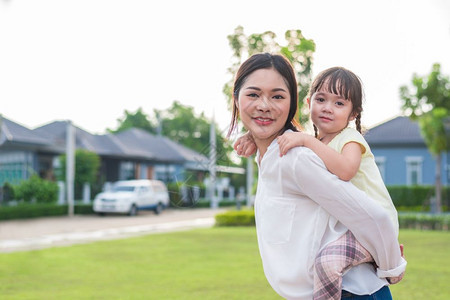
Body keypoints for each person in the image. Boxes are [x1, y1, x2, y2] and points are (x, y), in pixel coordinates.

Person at [227, 53, 406, 300]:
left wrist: (392, 265)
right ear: (236, 98)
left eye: (277, 96)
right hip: (334, 288)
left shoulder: (300, 156)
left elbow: (375, 217)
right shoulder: (301, 148)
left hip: (353, 292)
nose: (264, 105)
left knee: (329, 261)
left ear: (292, 104)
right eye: (253, 94)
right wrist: (254, 138)